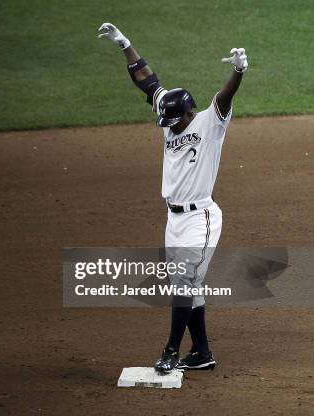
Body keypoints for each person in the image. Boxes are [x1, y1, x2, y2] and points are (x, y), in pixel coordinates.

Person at [97, 22, 248, 373]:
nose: (168, 126)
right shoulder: (170, 112)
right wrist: (124, 44)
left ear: (190, 114)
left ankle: (170, 351)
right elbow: (147, 82)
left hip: (200, 218)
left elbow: (224, 98)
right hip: (174, 219)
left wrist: (239, 71)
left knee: (183, 282)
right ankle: (202, 352)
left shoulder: (210, 123)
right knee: (187, 283)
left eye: (175, 121)